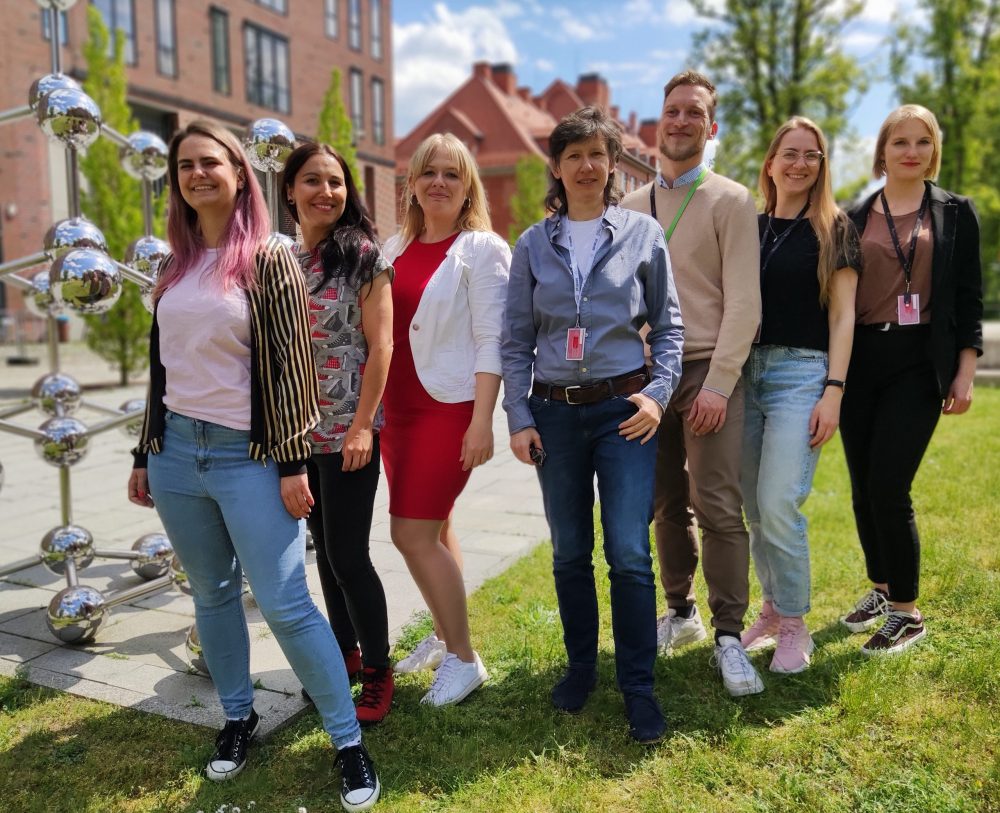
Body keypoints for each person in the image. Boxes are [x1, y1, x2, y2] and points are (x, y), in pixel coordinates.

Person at [126, 121, 380, 812]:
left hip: (249, 456)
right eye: (185, 165)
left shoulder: (268, 258)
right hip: (177, 453)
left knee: (287, 600)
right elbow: (161, 368)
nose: (197, 173)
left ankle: (347, 737)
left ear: (240, 174)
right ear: (176, 180)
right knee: (211, 594)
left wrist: (294, 466)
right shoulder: (172, 265)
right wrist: (144, 452)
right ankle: (237, 718)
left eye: (212, 162)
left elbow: (293, 374)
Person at [502, 107, 684, 743]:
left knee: (630, 552)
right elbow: (515, 340)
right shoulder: (532, 244)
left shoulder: (641, 234)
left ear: (612, 165)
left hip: (623, 412)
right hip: (554, 413)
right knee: (570, 550)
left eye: (597, 155)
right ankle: (582, 667)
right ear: (556, 166)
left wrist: (658, 397)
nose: (586, 165)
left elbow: (668, 325)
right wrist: (519, 416)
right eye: (573, 154)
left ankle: (639, 685)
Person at [621, 71, 764, 696]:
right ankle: (680, 613)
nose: (680, 122)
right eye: (671, 111)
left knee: (717, 505)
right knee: (662, 505)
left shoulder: (731, 202)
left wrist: (719, 384)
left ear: (712, 127)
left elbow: (745, 304)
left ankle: (730, 634)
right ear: (659, 122)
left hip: (707, 371)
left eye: (694, 113)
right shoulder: (626, 210)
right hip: (646, 376)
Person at [839, 104, 982, 655]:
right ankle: (881, 588)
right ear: (882, 150)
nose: (911, 151)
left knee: (888, 487)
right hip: (861, 360)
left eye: (923, 142)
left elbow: (968, 297)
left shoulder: (954, 212)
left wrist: (964, 371)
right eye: (900, 141)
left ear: (933, 150)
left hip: (919, 362)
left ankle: (907, 612)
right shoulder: (854, 215)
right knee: (860, 487)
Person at [380, 133, 510, 706]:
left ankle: (463, 658)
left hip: (447, 408)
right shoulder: (392, 248)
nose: (438, 183)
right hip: (396, 412)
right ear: (411, 183)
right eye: (428, 172)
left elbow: (492, 340)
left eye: (452, 175)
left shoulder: (482, 249)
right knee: (435, 528)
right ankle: (442, 636)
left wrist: (483, 421)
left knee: (408, 533)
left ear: (467, 189)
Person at [739, 117, 860, 673]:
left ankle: (794, 624)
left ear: (821, 165)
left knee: (779, 502)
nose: (800, 163)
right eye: (789, 153)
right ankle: (769, 609)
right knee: (752, 506)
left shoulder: (836, 229)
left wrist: (833, 391)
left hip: (801, 375)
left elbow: (843, 317)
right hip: (744, 374)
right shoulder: (749, 225)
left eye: (812, 155)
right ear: (770, 163)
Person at [281, 142, 395, 724]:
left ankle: (378, 669)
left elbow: (383, 347)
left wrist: (361, 428)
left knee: (349, 554)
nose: (326, 191)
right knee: (324, 553)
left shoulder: (364, 257)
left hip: (349, 432)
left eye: (335, 181)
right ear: (291, 191)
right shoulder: (283, 264)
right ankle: (344, 656)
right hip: (299, 436)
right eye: (312, 181)